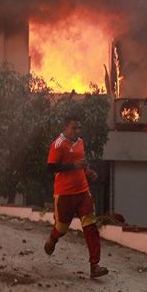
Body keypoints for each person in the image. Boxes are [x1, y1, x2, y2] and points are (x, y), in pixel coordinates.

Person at [44, 115, 108, 279]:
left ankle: (95, 266)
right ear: (65, 128)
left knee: (90, 226)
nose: (77, 131)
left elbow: (81, 164)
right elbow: (50, 168)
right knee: (62, 228)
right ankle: (53, 239)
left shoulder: (80, 142)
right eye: (74, 128)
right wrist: (73, 166)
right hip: (64, 194)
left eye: (79, 128)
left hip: (83, 192)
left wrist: (87, 172)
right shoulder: (58, 144)